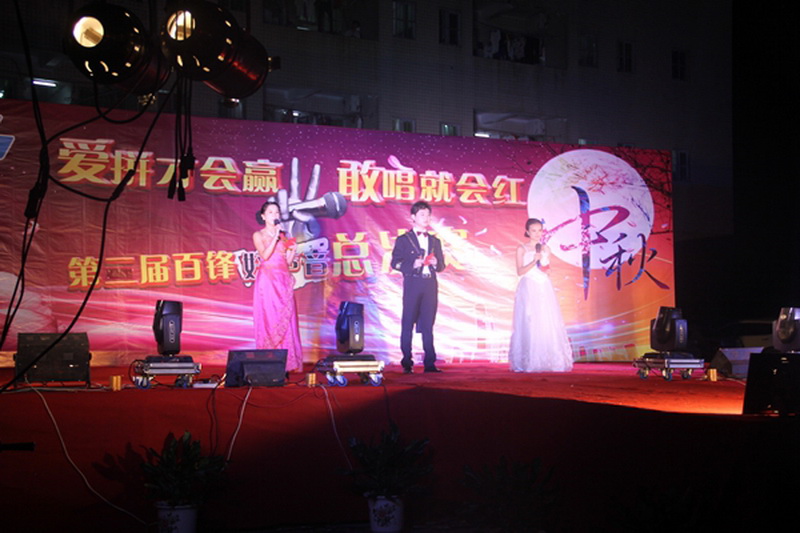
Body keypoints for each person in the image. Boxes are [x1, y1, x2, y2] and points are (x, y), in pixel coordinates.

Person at [508, 218, 573, 372]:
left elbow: (546, 268)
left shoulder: (545, 248)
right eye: (533, 230)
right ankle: (529, 360)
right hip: (529, 286)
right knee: (529, 320)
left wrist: (546, 269)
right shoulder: (521, 249)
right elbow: (520, 271)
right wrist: (533, 261)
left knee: (546, 320)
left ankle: (550, 360)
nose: (537, 234)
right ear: (527, 232)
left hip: (543, 286)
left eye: (539, 230)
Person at [391, 201, 446, 373]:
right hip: (413, 283)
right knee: (408, 322)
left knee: (428, 324)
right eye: (422, 215)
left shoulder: (435, 241)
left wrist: (436, 263)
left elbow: (442, 265)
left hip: (430, 284)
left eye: (428, 215)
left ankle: (430, 363)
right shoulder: (404, 240)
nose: (426, 218)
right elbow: (395, 263)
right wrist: (412, 264)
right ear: (413, 217)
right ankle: (407, 362)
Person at [252, 201, 303, 372]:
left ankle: (287, 363)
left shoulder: (283, 236)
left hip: (283, 280)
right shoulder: (258, 235)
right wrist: (275, 237)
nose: (274, 215)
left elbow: (286, 262)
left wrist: (292, 251)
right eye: (271, 212)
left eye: (277, 212)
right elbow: (265, 256)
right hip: (268, 281)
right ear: (263, 216)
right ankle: (269, 361)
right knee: (270, 317)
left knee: (286, 318)